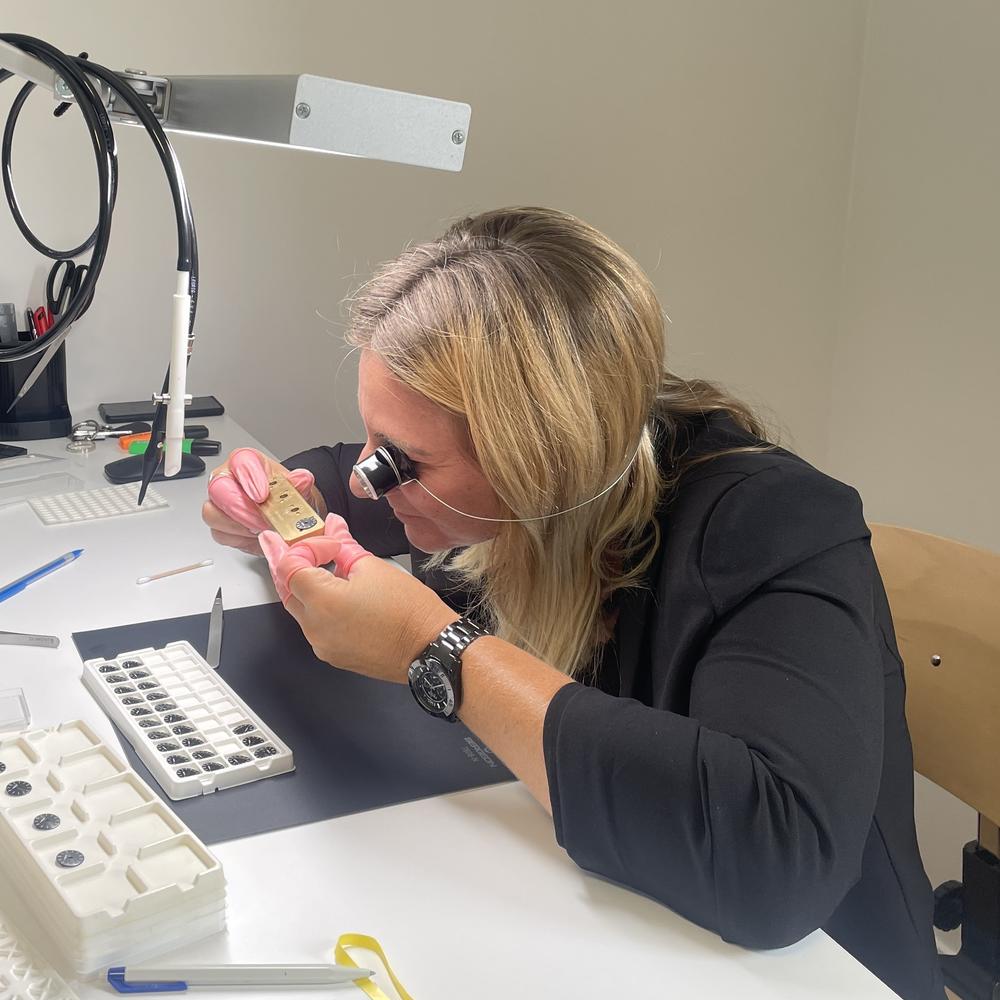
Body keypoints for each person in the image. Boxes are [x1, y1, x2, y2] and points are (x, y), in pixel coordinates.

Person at [203, 207, 944, 1000]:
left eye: (402, 462)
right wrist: (269, 497)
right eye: (376, 443)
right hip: (610, 935)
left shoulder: (775, 523)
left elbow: (773, 856)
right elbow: (338, 470)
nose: (367, 482)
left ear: (540, 459)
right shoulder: (504, 486)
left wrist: (437, 649)